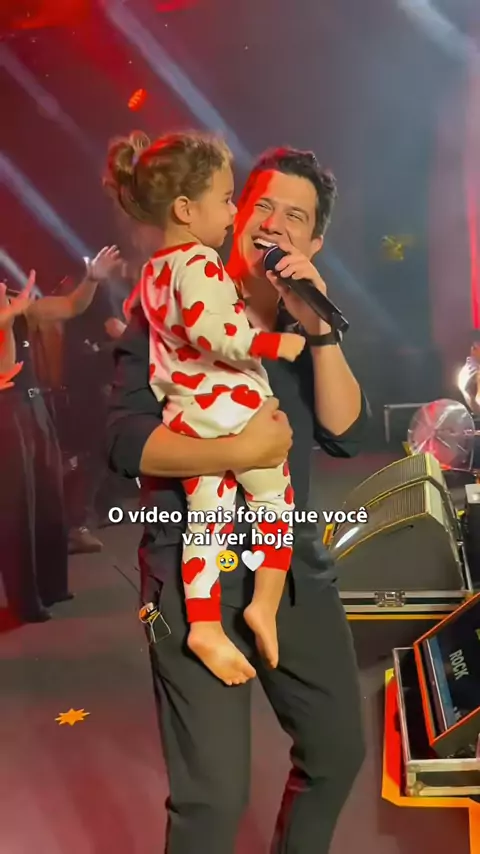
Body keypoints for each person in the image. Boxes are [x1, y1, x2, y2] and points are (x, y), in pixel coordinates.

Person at [106, 146, 367, 854]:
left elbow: (346, 431)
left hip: (290, 570)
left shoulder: (305, 322)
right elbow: (126, 443)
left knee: (338, 753)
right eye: (262, 205)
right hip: (194, 572)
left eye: (296, 216)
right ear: (234, 212)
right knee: (213, 798)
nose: (275, 223)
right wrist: (240, 452)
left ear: (314, 241)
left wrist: (317, 330)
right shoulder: (173, 298)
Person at [105, 130, 308, 684]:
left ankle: (204, 624)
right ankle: (264, 603)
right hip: (228, 408)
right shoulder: (200, 262)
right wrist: (271, 343)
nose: (234, 211)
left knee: (207, 522)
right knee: (275, 498)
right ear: (185, 209)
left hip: (189, 420)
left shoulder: (154, 271)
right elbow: (212, 332)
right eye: (226, 198)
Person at [0, 247, 121, 623]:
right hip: (6, 411)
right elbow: (4, 367)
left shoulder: (19, 304)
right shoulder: (11, 311)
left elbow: (70, 306)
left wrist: (92, 280)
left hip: (32, 404)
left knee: (49, 497)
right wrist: (6, 320)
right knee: (18, 508)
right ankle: (25, 601)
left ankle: (52, 585)